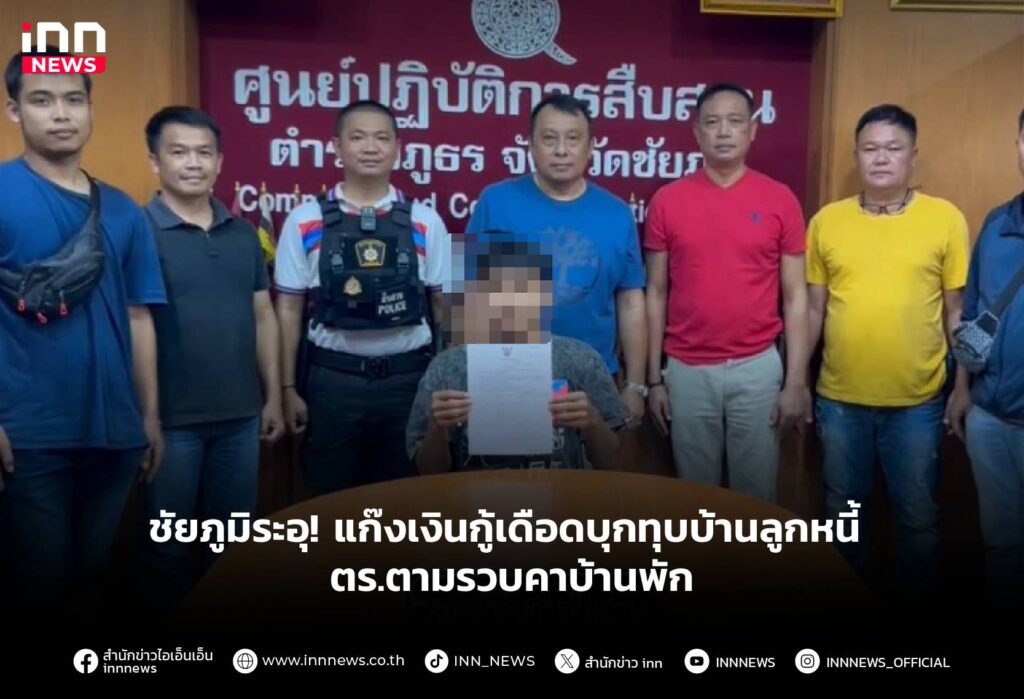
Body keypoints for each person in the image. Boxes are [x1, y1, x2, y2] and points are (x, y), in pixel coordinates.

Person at [0, 48, 166, 603]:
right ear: (14, 110)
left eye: (74, 99)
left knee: (93, 575)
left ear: (90, 109)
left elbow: (140, 316)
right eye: (42, 100)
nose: (61, 114)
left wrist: (149, 416)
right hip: (26, 433)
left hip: (114, 432)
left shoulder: (123, 210)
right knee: (38, 584)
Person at [807, 104, 969, 588]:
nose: (881, 158)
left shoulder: (945, 219)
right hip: (839, 400)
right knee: (842, 516)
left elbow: (956, 313)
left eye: (894, 148)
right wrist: (795, 381)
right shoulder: (827, 221)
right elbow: (812, 311)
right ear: (856, 155)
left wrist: (962, 388)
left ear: (913, 156)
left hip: (918, 402)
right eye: (870, 148)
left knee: (918, 519)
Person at [138, 106, 284, 608]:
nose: (193, 163)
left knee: (231, 548)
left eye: (204, 153)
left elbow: (263, 315)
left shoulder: (243, 234)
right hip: (171, 424)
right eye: (178, 152)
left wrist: (273, 397)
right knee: (167, 552)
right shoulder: (138, 232)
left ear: (220, 162)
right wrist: (147, 416)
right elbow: (132, 325)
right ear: (155, 161)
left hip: (241, 419)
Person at [644, 82, 811, 503]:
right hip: (686, 369)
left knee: (755, 499)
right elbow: (655, 293)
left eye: (734, 121)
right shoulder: (667, 200)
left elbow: (796, 298)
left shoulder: (780, 200)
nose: (723, 132)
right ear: (696, 131)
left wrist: (796, 381)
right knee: (693, 497)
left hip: (757, 367)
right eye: (712, 122)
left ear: (752, 130)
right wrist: (653, 380)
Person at [275, 100, 448, 494]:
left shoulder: (425, 220)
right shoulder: (305, 220)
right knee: (329, 501)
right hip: (332, 384)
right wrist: (286, 389)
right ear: (337, 147)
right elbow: (288, 310)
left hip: (408, 382)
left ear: (397, 148)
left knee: (404, 503)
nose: (370, 147)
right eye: (358, 137)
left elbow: (446, 308)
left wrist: (447, 382)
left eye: (381, 138)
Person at [467, 93, 648, 426]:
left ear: (591, 147)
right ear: (531, 146)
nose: (561, 150)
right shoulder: (496, 202)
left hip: (592, 376)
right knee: (507, 461)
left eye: (573, 139)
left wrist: (635, 385)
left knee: (593, 461)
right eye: (549, 139)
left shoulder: (617, 213)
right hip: (509, 375)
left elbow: (631, 302)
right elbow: (471, 297)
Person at [408, 233, 626, 473]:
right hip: (474, 493)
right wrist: (436, 429)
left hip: (561, 492)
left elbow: (613, 462)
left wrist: (592, 422)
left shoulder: (580, 360)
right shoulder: (446, 368)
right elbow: (427, 472)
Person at [946, 106, 1024, 599]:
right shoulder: (997, 225)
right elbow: (972, 316)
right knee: (1001, 546)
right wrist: (962, 391)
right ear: (1018, 146)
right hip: (991, 418)